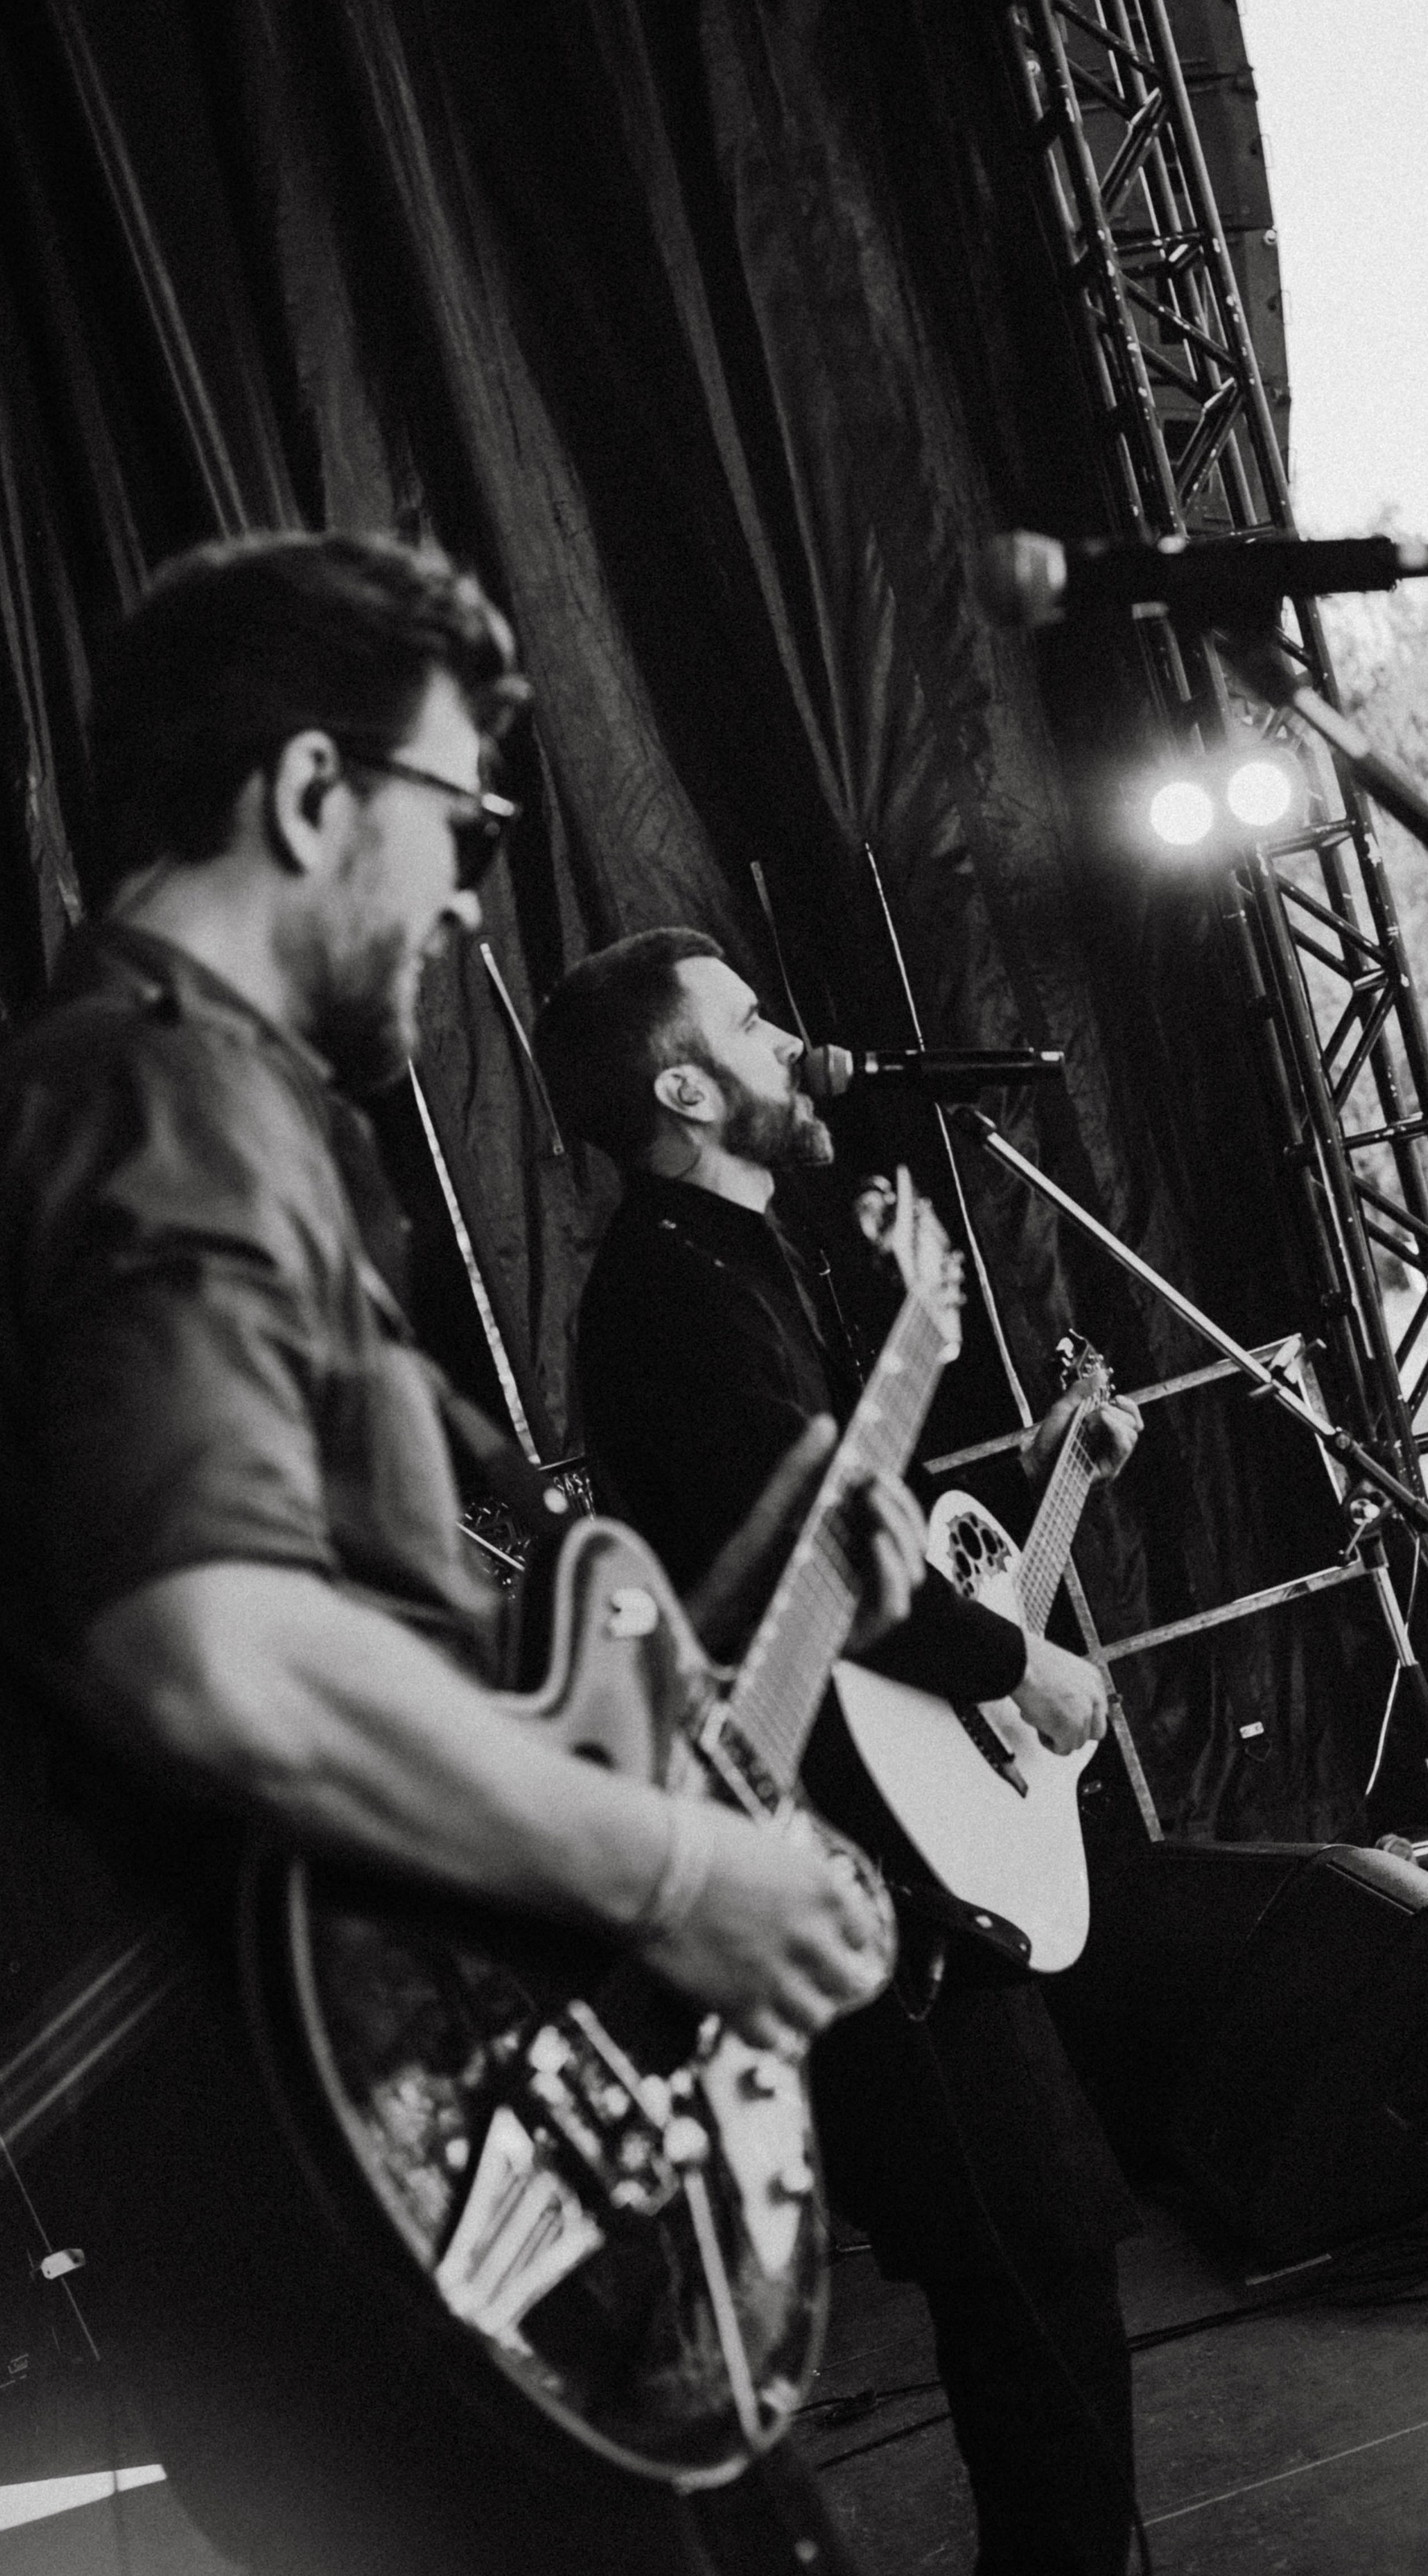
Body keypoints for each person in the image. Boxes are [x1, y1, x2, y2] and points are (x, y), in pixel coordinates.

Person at [0, 537, 932, 2576]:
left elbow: (409, 1664)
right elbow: (221, 1661)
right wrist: (675, 1867)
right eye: (456, 824)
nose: (467, 899)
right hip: (380, 2206)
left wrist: (756, 1609)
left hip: (365, 2204)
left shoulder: (121, 1111)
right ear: (303, 797)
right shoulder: (160, 1105)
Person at [534, 932, 1147, 2576]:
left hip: (899, 1859)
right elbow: (825, 1551)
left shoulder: (744, 1260)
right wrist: (1016, 1660)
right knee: (1034, 2301)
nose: (789, 1037)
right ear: (682, 1088)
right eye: (745, 1019)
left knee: (1044, 2290)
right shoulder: (667, 1292)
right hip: (858, 1887)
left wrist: (1003, 1459)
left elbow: (848, 1502)